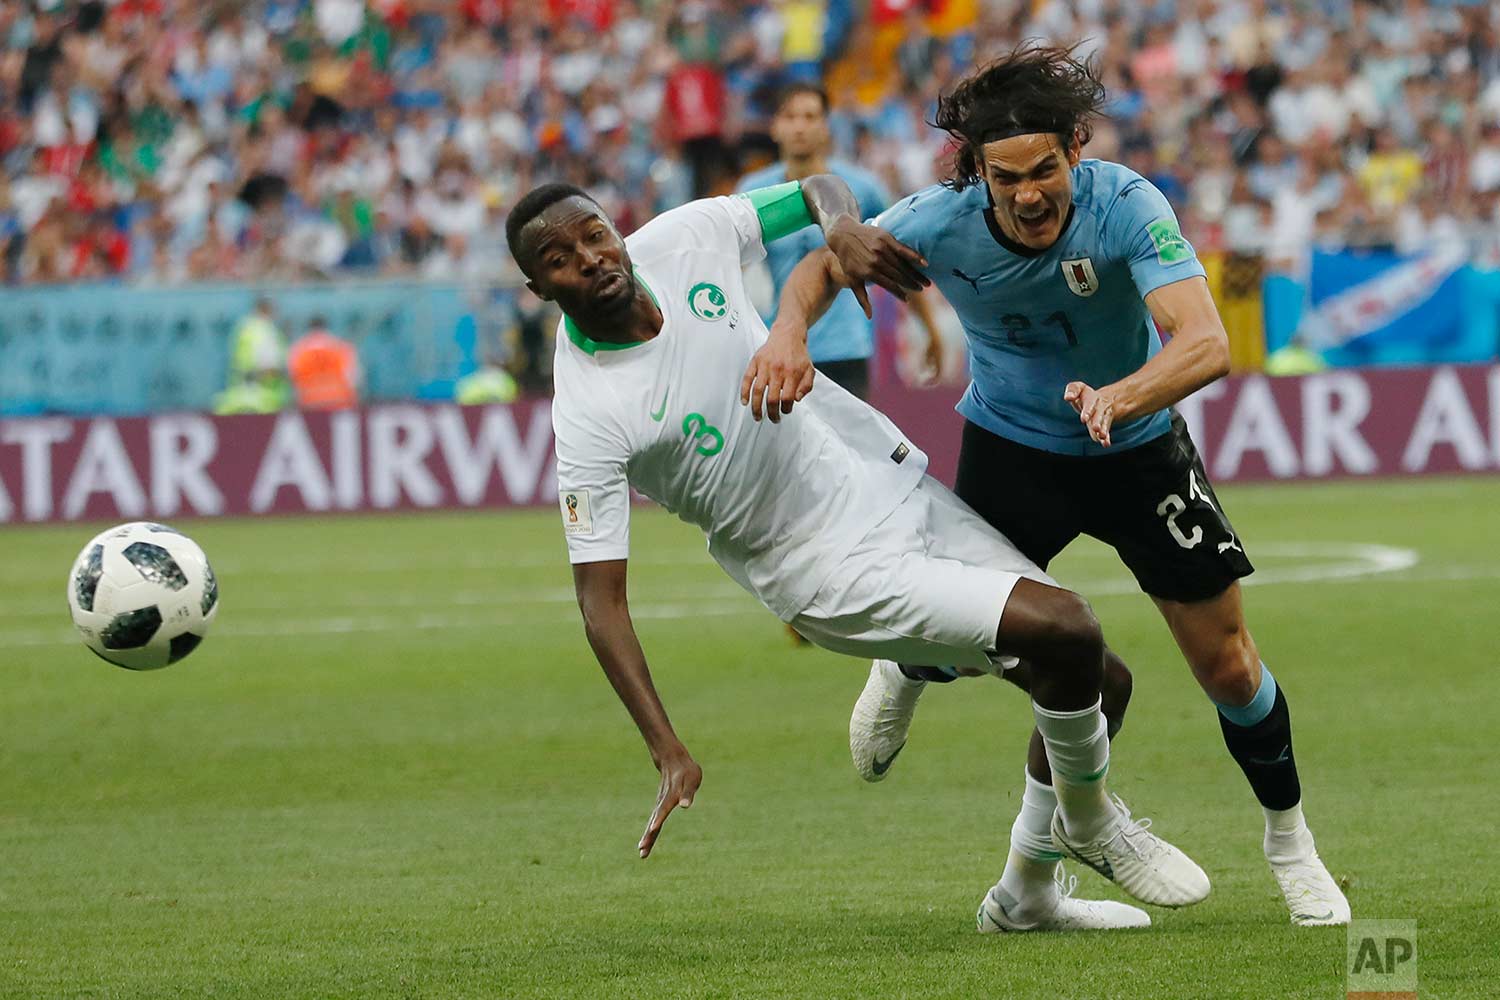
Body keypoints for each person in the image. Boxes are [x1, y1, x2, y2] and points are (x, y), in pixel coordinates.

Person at [512, 175, 1211, 932]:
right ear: (537, 287)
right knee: (1067, 626)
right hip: (818, 569)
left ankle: (1025, 896)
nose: (588, 258)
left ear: (612, 228)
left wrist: (841, 225)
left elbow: (816, 187)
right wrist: (666, 749)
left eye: (592, 234)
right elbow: (600, 603)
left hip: (879, 482)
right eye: (558, 258)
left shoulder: (683, 238)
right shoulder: (587, 410)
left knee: (1099, 683)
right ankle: (1089, 820)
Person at [777, 45, 1349, 927]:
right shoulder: (939, 219)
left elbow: (1204, 342)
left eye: (1047, 169)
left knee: (1230, 665)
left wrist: (1121, 396)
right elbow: (825, 267)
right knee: (963, 635)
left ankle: (1291, 845)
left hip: (1139, 448)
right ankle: (906, 670)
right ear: (978, 175)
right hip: (1014, 453)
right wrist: (787, 334)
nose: (1032, 192)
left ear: (1075, 152)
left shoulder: (1126, 204)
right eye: (1009, 178)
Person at [736, 83, 943, 401]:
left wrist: (929, 330)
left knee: (850, 450)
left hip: (845, 348)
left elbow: (897, 258)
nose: (800, 127)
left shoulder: (862, 187)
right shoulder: (754, 192)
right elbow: (732, 267)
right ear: (775, 127)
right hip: (777, 348)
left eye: (810, 117)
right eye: (791, 117)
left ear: (825, 126)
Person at [214, 297, 289, 415]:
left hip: (239, 397)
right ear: (268, 309)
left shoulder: (245, 328)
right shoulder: (266, 331)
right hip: (263, 401)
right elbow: (270, 368)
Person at [287, 316, 361, 410]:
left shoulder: (298, 349)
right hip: (339, 402)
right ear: (326, 327)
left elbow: (293, 378)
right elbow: (353, 379)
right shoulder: (341, 347)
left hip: (310, 404)